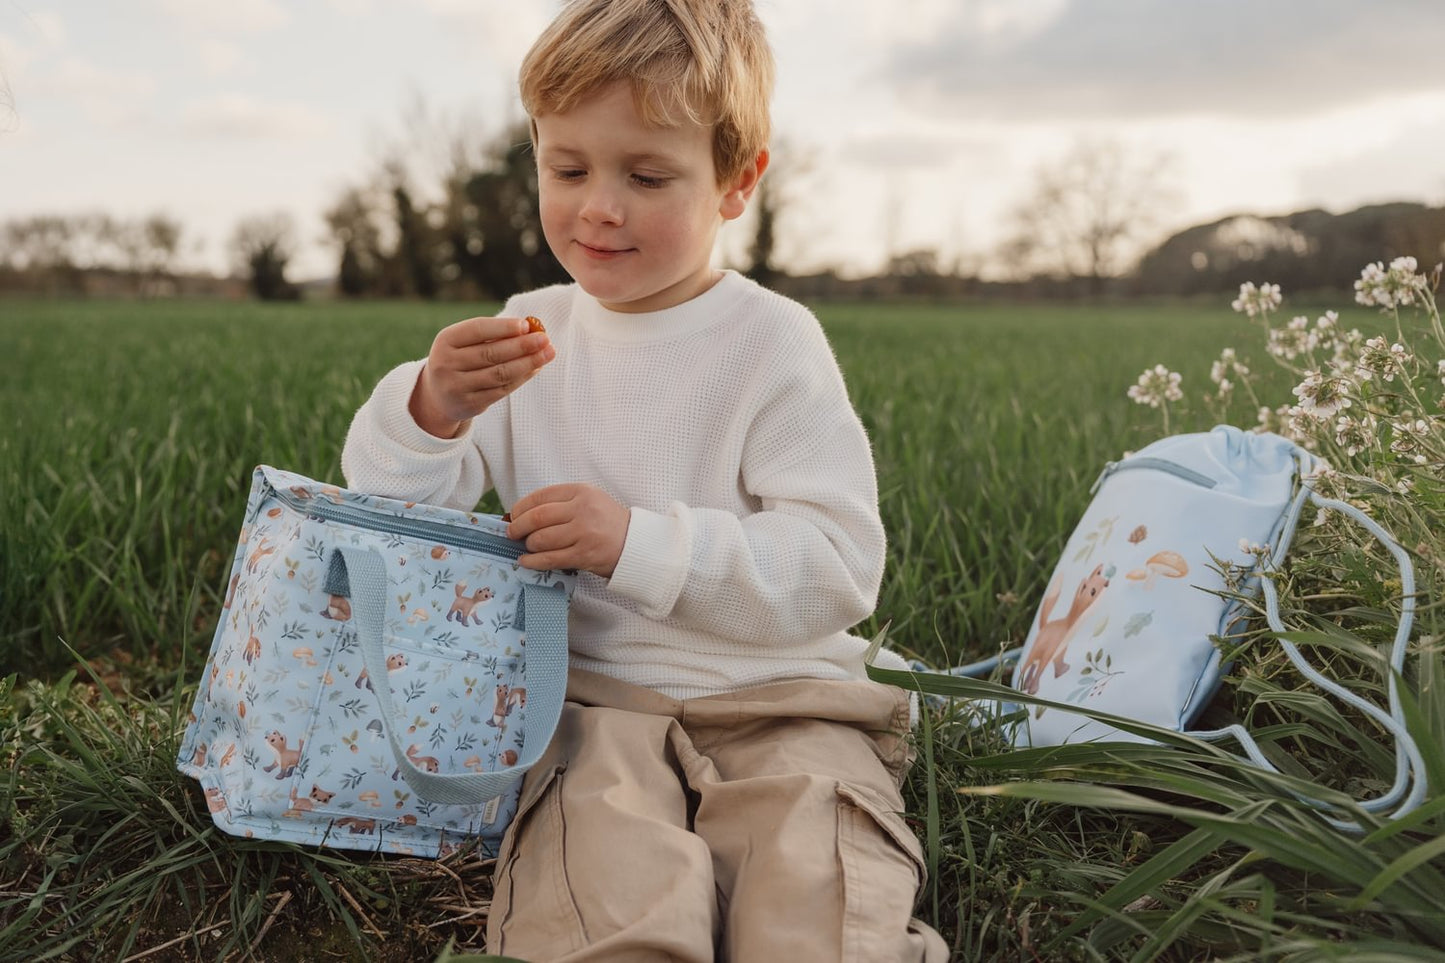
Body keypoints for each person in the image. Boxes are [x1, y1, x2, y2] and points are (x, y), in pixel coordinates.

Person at [341, 0, 948, 958]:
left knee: (816, 902)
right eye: (568, 167)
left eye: (647, 174)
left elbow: (836, 565)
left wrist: (638, 543)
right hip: (591, 708)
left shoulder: (768, 343)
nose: (599, 207)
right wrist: (430, 408)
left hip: (784, 700)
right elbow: (400, 517)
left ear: (735, 181)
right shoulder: (533, 332)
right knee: (599, 904)